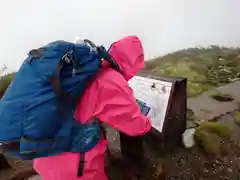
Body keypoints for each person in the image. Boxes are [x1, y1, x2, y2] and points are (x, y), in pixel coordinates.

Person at [33, 35, 152, 180]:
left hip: (47, 156)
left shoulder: (90, 71)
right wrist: (148, 122)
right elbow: (135, 125)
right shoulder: (111, 80)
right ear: (132, 62)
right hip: (75, 166)